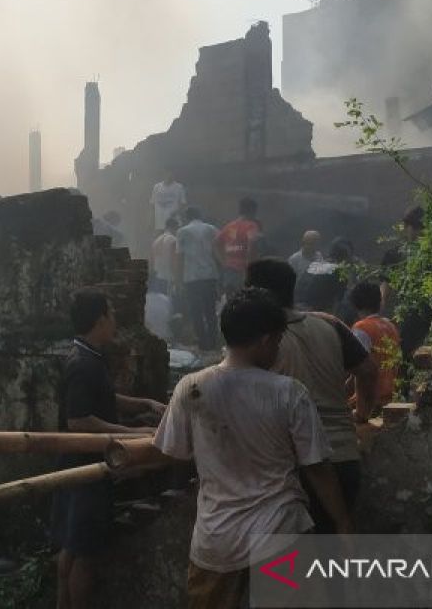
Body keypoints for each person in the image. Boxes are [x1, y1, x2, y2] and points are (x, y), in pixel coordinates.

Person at [154, 288, 353, 609]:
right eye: (276, 341)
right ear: (264, 340)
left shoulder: (191, 388)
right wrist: (342, 522)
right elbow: (317, 468)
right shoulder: (289, 393)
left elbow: (172, 453)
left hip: (216, 536)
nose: (277, 349)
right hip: (280, 533)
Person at [245, 258, 378, 533]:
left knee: (291, 568)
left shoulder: (259, 340)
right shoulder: (330, 324)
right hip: (344, 457)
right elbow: (367, 370)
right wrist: (362, 414)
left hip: (292, 467)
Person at [52, 290, 164, 609]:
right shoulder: (83, 363)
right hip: (85, 469)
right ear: (100, 320)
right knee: (85, 556)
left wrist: (143, 404)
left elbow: (104, 399)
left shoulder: (87, 356)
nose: (115, 321)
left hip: (75, 466)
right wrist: (133, 434)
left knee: (71, 549)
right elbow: (79, 421)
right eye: (112, 315)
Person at [380, 206, 432, 357]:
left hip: (429, 310)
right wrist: (381, 301)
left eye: (421, 228)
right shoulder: (395, 254)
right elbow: (386, 282)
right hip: (407, 311)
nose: (418, 232)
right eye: (415, 227)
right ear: (407, 227)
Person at [349, 281, 402, 413]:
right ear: (379, 303)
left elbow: (361, 370)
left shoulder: (361, 328)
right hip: (391, 397)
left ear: (355, 305)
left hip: (368, 402)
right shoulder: (390, 326)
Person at [175, 208, 221, 351]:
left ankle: (203, 343)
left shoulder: (182, 232)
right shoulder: (212, 229)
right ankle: (213, 343)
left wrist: (178, 280)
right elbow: (218, 253)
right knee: (210, 311)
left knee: (196, 312)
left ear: (187, 217)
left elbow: (179, 257)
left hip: (191, 277)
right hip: (210, 275)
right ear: (200, 215)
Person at [215, 198, 261, 295]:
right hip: (243, 269)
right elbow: (252, 244)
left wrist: (223, 261)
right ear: (252, 211)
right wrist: (249, 268)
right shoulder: (251, 226)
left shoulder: (229, 226)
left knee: (231, 301)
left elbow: (215, 244)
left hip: (229, 270)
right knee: (245, 301)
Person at [150, 218, 179, 295]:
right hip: (169, 277)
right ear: (175, 227)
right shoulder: (173, 240)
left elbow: (152, 261)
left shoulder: (156, 240)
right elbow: (174, 260)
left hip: (158, 277)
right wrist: (177, 278)